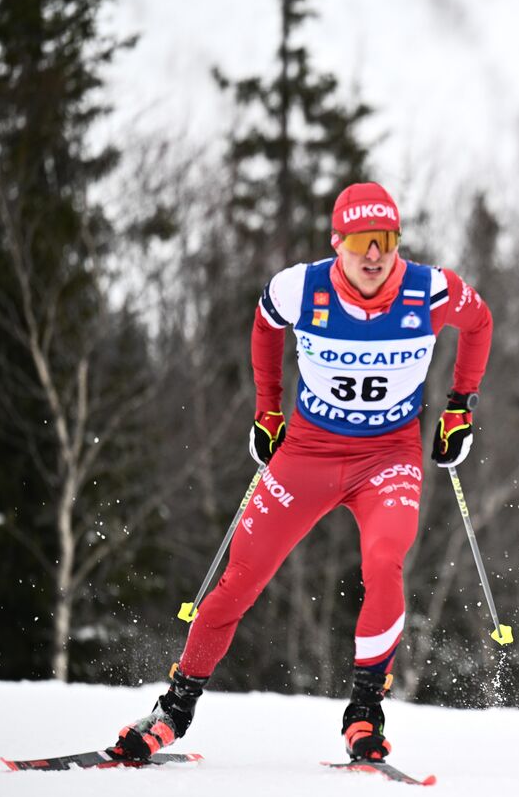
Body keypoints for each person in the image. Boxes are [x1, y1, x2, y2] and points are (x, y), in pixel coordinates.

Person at [114, 182, 494, 762]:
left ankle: (364, 712)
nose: (375, 255)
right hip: (308, 454)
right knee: (238, 579)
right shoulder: (298, 287)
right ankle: (174, 710)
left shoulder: (432, 289)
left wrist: (460, 408)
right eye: (362, 241)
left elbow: (480, 323)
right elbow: (265, 326)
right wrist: (267, 410)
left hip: (388, 457)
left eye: (385, 239)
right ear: (337, 243)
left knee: (384, 562)